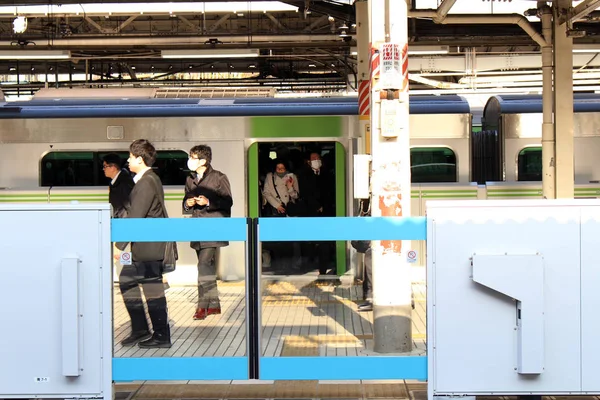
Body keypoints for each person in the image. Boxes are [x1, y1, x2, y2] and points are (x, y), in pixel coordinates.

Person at [114, 139, 171, 348]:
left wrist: (118, 245)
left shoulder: (147, 181)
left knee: (152, 289)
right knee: (127, 279)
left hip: (149, 249)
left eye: (130, 157)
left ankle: (161, 335)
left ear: (139, 158)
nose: (127, 161)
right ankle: (140, 329)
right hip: (142, 247)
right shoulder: (147, 179)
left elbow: (136, 216)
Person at [183, 145, 233, 321]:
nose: (190, 160)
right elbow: (185, 201)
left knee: (203, 266)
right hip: (197, 229)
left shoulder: (219, 177)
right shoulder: (190, 179)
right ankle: (215, 305)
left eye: (193, 157)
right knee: (207, 267)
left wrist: (208, 201)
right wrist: (187, 204)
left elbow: (228, 202)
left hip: (213, 229)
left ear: (203, 160)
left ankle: (201, 307)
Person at [102, 153, 134, 218]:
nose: (103, 169)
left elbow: (128, 206)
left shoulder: (124, 183)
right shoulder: (115, 182)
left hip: (122, 223)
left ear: (113, 167)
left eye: (105, 166)